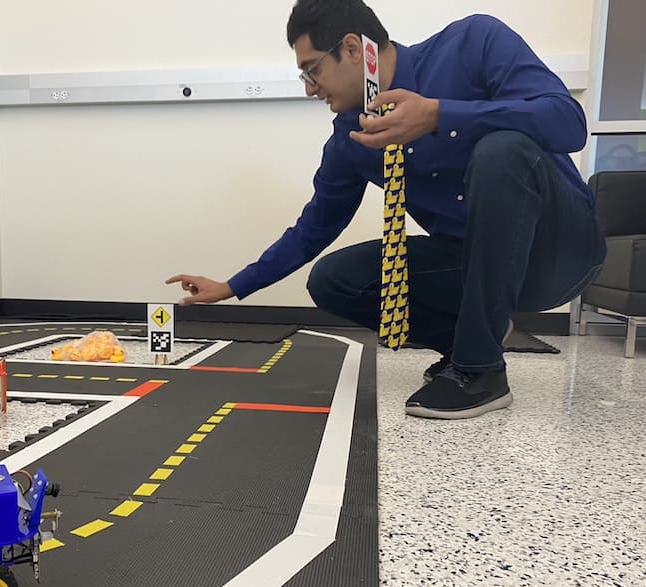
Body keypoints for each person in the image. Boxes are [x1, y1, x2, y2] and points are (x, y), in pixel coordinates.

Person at [166, 0, 605, 419]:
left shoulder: (474, 42)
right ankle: (469, 339)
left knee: (501, 149)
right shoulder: (352, 137)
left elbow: (567, 122)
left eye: (312, 69)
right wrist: (233, 285)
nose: (308, 88)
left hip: (559, 251)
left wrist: (442, 115)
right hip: (473, 261)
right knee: (335, 281)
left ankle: (480, 371)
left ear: (353, 48)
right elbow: (314, 227)